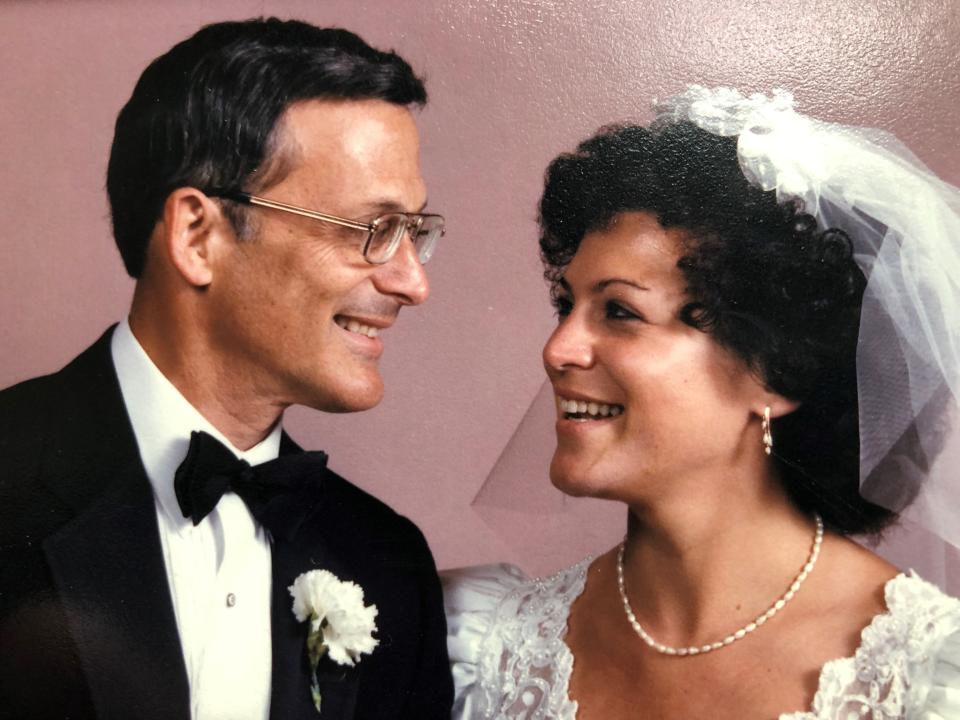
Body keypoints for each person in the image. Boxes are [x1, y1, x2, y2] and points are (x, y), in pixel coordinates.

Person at [443, 87, 960, 718]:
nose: (558, 349)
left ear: (771, 372)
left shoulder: (930, 677)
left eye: (621, 311)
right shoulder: (482, 643)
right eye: (565, 306)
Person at [0, 18, 452, 720]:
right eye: (373, 230)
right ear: (197, 236)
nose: (412, 283)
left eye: (416, 233)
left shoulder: (391, 566)